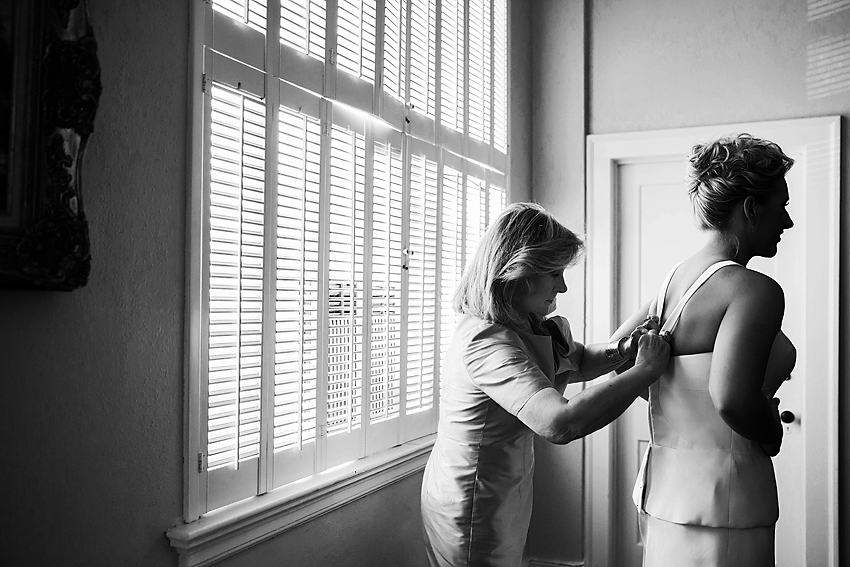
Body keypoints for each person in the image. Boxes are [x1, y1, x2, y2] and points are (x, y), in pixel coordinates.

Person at [420, 202, 671, 567]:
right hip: (471, 499)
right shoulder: (485, 342)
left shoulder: (526, 321)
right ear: (519, 271)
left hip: (506, 487)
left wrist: (624, 350)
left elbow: (579, 359)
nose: (564, 285)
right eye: (554, 273)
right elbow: (559, 422)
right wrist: (643, 371)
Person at [610, 133, 797, 567]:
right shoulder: (755, 290)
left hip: (666, 498)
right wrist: (771, 431)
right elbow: (731, 399)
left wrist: (678, 401)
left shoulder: (674, 281)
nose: (786, 222)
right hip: (728, 503)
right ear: (752, 208)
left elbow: (620, 359)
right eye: (781, 206)